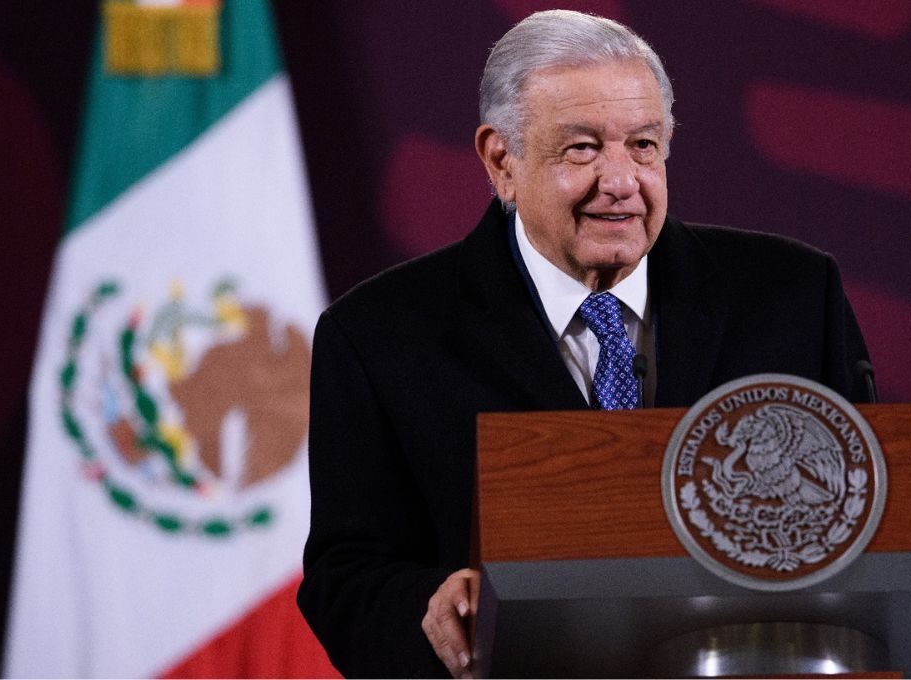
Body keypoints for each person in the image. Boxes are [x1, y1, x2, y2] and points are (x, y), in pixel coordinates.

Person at [297, 9, 873, 678]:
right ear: (501, 161)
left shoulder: (793, 296)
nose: (622, 182)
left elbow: (874, 519)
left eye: (644, 145)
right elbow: (346, 576)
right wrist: (430, 606)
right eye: (582, 149)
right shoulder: (378, 336)